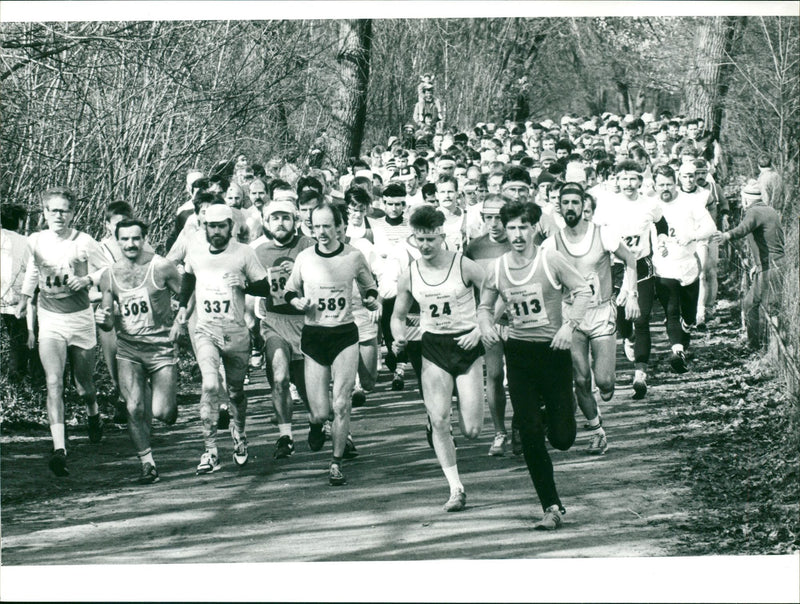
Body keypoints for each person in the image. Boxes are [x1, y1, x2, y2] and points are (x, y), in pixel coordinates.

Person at [477, 200, 592, 530]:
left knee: (564, 439)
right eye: (511, 227)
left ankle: (548, 416)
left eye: (523, 227)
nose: (517, 234)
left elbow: (582, 290)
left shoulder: (549, 258)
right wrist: (486, 327)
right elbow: (485, 307)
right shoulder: (497, 268)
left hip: (553, 354)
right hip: (520, 355)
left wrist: (569, 326)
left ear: (535, 229)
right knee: (529, 434)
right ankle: (551, 505)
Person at [391, 205, 486, 512]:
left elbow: (494, 294)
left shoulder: (464, 265)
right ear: (413, 238)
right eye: (420, 239)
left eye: (431, 239)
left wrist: (481, 328)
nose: (426, 245)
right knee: (439, 420)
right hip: (433, 347)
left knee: (471, 430)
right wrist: (398, 335)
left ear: (443, 236)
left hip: (467, 345)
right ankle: (456, 488)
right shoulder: (409, 274)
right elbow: (397, 315)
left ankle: (454, 420)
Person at [16, 187, 110, 477]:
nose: (59, 215)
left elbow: (109, 270)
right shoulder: (36, 241)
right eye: (53, 210)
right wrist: (23, 299)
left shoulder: (83, 242)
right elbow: (33, 271)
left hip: (80, 319)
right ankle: (59, 449)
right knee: (54, 382)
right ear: (44, 213)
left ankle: (94, 414)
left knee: (84, 386)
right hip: (50, 319)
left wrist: (87, 280)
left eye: (64, 210)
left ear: (73, 213)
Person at [284, 203, 379, 486]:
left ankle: (336, 463)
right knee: (321, 411)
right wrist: (298, 301)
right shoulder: (304, 258)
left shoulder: (353, 256)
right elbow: (290, 290)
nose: (322, 232)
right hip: (314, 336)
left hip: (344, 334)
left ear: (339, 227)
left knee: (341, 403)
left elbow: (368, 285)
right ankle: (315, 423)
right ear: (310, 227)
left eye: (328, 226)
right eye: (317, 227)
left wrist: (372, 297)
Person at [175, 203, 272, 475]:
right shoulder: (194, 248)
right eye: (211, 226)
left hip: (236, 332)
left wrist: (244, 284)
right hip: (206, 329)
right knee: (208, 385)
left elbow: (264, 287)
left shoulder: (243, 253)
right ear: (204, 226)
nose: (216, 232)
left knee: (235, 392)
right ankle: (210, 450)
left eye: (221, 226)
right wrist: (183, 307)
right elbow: (188, 278)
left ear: (230, 227)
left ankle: (239, 433)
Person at [549, 183, 640, 455]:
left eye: (575, 202)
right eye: (565, 203)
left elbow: (631, 259)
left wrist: (629, 292)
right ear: (560, 207)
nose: (570, 208)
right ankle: (596, 430)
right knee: (580, 379)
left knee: (605, 383)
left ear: (584, 206)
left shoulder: (604, 235)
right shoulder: (551, 242)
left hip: (601, 313)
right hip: (571, 315)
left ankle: (602, 391)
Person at [95, 219, 183, 483]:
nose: (130, 244)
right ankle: (148, 464)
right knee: (134, 408)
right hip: (129, 350)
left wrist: (180, 322)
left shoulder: (162, 267)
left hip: (161, 349)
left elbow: (187, 297)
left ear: (144, 238)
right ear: (117, 240)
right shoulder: (108, 275)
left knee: (162, 413)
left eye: (136, 238)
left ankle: (165, 403)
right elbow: (109, 318)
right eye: (125, 239)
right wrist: (104, 318)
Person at [593, 160, 669, 399]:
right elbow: (595, 232)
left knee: (642, 317)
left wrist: (663, 239)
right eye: (623, 178)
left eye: (633, 178)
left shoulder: (650, 203)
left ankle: (640, 375)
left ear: (640, 181)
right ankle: (628, 337)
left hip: (642, 265)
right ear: (617, 180)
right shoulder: (606, 205)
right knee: (621, 320)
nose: (628, 183)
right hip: (614, 268)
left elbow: (661, 223)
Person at [250, 197, 315, 459]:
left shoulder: (308, 245)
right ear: (265, 222)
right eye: (274, 218)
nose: (280, 223)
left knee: (308, 386)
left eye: (285, 217)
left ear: (295, 221)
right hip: (275, 321)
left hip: (308, 321)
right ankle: (285, 436)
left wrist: (299, 271)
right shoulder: (258, 251)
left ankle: (323, 424)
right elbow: (251, 285)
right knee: (279, 377)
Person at [652, 165, 717, 373]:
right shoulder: (650, 205)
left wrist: (692, 236)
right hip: (663, 266)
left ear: (675, 183)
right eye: (661, 185)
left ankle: (686, 328)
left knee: (688, 314)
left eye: (669, 184)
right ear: (654, 185)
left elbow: (711, 228)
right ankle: (677, 351)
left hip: (688, 264)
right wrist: (656, 245)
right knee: (671, 310)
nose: (665, 189)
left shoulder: (690, 202)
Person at [464, 195, 513, 456]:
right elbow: (465, 284)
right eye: (488, 217)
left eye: (498, 217)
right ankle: (499, 432)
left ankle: (522, 424)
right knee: (493, 375)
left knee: (517, 377)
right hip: (487, 323)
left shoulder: (518, 242)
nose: (493, 223)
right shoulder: (474, 247)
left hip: (518, 321)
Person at [715, 180, 785, 349]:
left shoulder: (753, 212)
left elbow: (743, 229)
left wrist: (726, 236)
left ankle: (757, 345)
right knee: (766, 306)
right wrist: (757, 265)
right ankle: (769, 346)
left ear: (746, 199)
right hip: (774, 265)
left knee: (756, 305)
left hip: (770, 267)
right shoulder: (769, 210)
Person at [371, 182, 415, 390]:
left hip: (406, 282)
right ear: (383, 203)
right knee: (387, 324)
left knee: (404, 323)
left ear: (404, 204)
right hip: (383, 282)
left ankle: (400, 366)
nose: (395, 208)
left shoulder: (410, 225)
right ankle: (394, 359)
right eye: (390, 204)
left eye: (399, 204)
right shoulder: (376, 225)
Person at [1, 204, 31, 382]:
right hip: (15, 299)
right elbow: (32, 270)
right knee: (19, 338)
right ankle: (16, 376)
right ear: (20, 221)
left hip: (6, 297)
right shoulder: (24, 242)